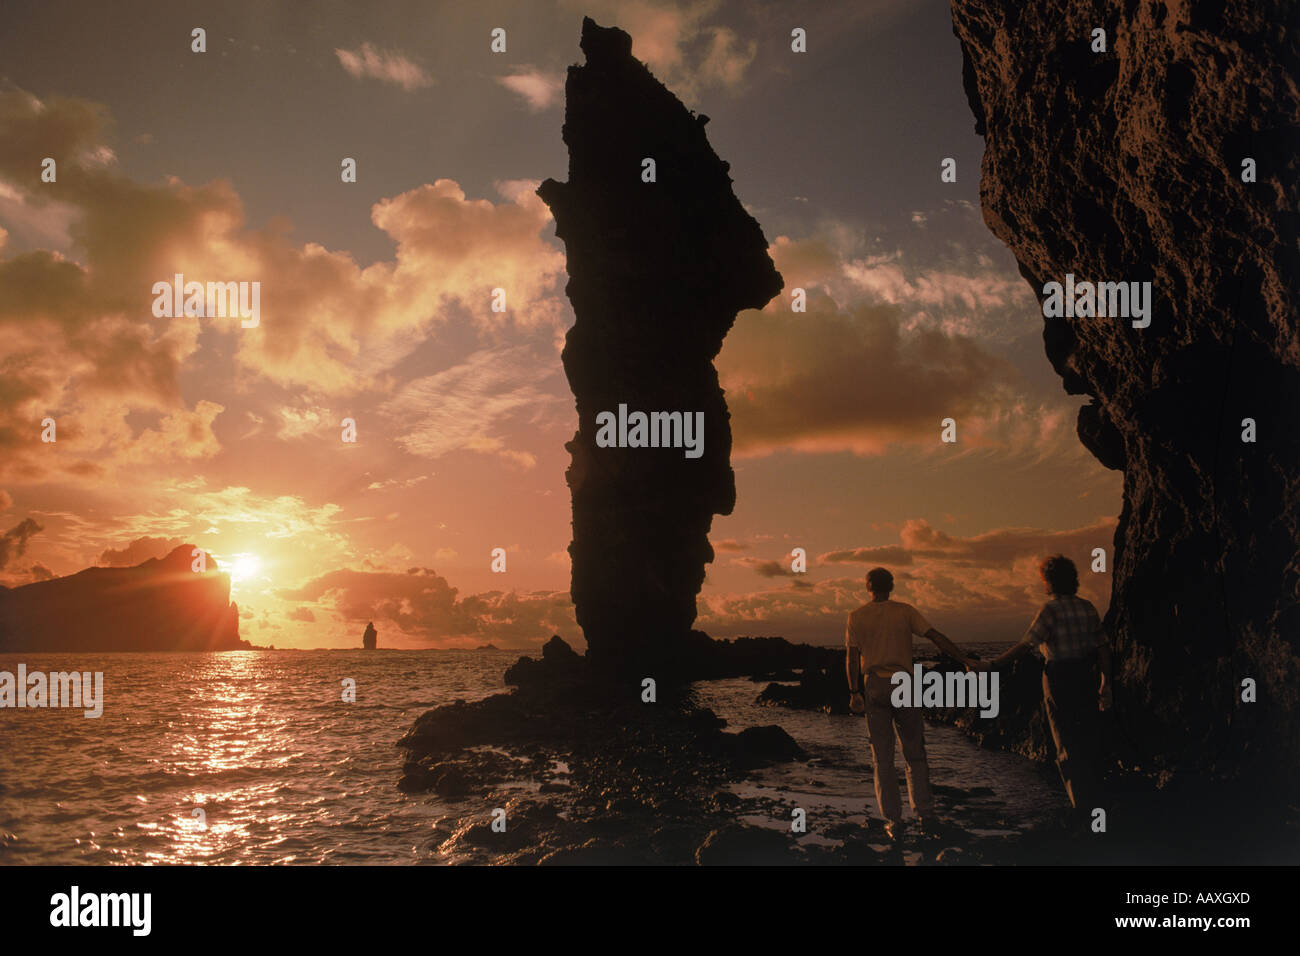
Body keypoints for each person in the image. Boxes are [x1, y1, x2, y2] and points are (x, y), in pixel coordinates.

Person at [972, 554, 1111, 817]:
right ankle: (1097, 806)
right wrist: (1105, 683)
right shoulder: (1088, 607)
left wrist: (992, 665)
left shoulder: (1050, 610)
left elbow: (1027, 645)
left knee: (1065, 741)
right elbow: (1103, 647)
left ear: (1049, 581)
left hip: (1059, 676)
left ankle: (1080, 809)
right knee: (1088, 740)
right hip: (1085, 674)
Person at [845, 567, 972, 840]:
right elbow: (935, 636)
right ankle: (925, 815)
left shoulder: (856, 616)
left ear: (868, 587)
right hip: (905, 684)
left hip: (875, 685)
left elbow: (852, 658)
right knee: (915, 752)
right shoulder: (905, 611)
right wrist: (964, 659)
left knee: (883, 758)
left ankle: (893, 821)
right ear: (890, 586)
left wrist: (854, 691)